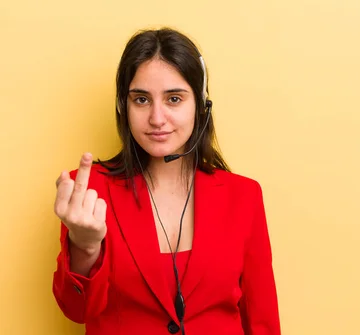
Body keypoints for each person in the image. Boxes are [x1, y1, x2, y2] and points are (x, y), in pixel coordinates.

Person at [52, 27, 281, 335]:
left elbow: (261, 320)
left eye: (174, 98)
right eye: (142, 100)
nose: (157, 118)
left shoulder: (244, 195)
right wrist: (85, 246)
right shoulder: (88, 191)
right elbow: (76, 311)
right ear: (123, 106)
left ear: (200, 105)